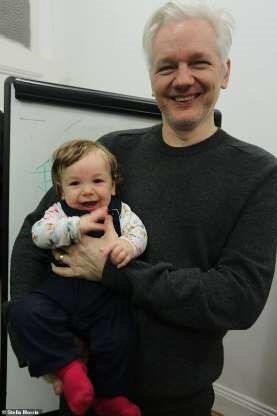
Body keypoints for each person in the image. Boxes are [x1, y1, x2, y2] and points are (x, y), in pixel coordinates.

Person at [8, 1, 277, 415]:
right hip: (82, 389)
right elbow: (31, 237)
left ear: (225, 71)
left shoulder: (260, 174)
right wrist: (45, 345)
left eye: (199, 62)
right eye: (167, 66)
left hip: (176, 402)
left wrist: (115, 271)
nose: (182, 79)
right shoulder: (113, 152)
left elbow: (237, 298)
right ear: (152, 78)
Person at [9, 140, 147, 416]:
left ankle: (110, 396)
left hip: (104, 296)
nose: (87, 191)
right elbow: (39, 234)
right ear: (60, 190)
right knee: (21, 311)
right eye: (75, 184)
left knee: (121, 336)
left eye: (98, 181)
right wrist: (75, 225)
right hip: (59, 291)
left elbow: (138, 232)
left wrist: (129, 246)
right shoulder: (57, 212)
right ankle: (68, 369)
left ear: (113, 185)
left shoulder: (121, 211)